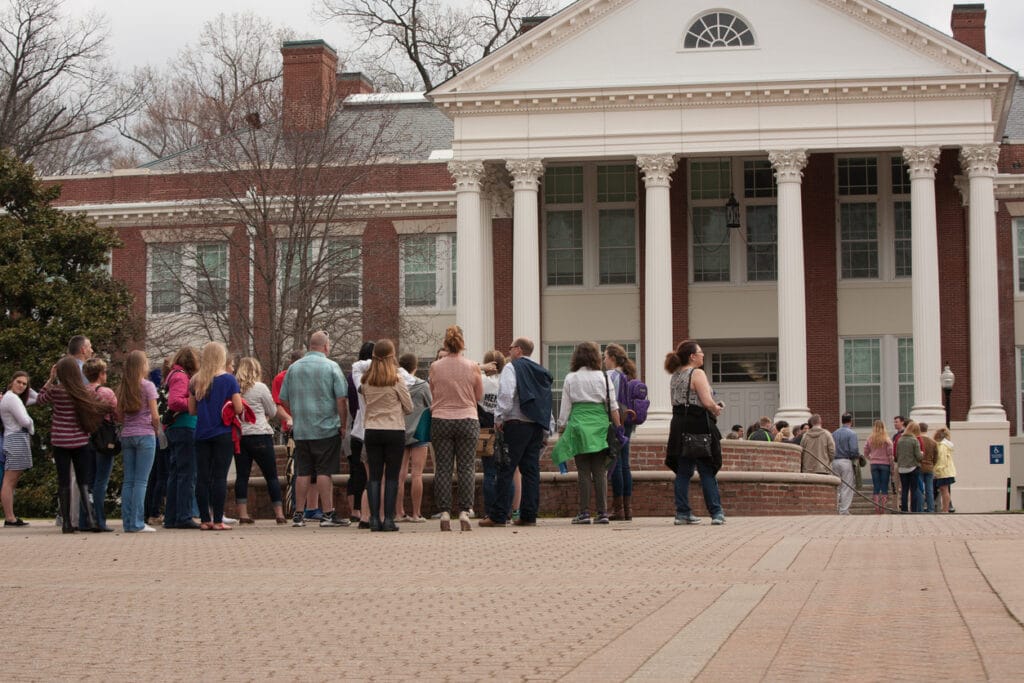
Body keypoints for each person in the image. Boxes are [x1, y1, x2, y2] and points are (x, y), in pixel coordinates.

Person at [278, 331, 350, 528]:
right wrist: (343, 425)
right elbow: (341, 398)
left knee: (303, 472)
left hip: (302, 429)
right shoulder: (331, 367)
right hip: (326, 428)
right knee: (324, 472)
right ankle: (327, 514)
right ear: (326, 346)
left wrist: (298, 413)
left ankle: (298, 515)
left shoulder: (293, 368)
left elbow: (283, 398)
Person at [481, 337, 552, 529]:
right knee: (531, 471)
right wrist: (547, 428)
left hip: (516, 423)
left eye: (511, 347)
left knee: (506, 468)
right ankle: (529, 516)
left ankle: (498, 515)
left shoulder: (512, 368)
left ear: (518, 350)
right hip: (536, 425)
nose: (509, 350)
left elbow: (506, 394)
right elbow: (546, 400)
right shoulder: (541, 371)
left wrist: (498, 418)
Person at [36, 356, 112, 533]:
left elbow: (39, 400)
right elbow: (102, 402)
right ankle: (92, 520)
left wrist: (50, 379)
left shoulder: (56, 391)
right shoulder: (83, 391)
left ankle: (66, 523)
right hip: (80, 440)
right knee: (83, 481)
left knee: (64, 482)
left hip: (60, 441)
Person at [552, 342, 621, 525]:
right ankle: (602, 512)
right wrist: (619, 428)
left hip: (579, 425)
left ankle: (583, 513)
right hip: (600, 426)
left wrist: (561, 428)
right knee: (600, 471)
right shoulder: (604, 378)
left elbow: (565, 407)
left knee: (583, 471)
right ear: (596, 358)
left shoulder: (571, 378)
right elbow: (613, 405)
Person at [428, 325, 483, 532]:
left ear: (445, 343)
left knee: (443, 467)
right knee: (466, 467)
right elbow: (478, 395)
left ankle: (443, 511)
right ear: (462, 343)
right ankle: (464, 511)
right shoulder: (472, 366)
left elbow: (433, 391)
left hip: (441, 418)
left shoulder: (435, 366)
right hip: (467, 418)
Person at [665, 340, 725, 526]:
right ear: (692, 356)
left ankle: (682, 512)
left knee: (683, 471)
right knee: (707, 469)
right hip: (697, 424)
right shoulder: (697, 373)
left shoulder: (675, 375)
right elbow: (706, 402)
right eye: (700, 352)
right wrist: (716, 408)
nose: (702, 355)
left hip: (678, 424)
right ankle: (716, 512)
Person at [360, 340, 413, 531]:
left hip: (372, 429)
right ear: (392, 356)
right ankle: (389, 519)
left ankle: (374, 519)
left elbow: (366, 401)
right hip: (393, 429)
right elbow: (409, 407)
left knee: (374, 476)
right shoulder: (397, 380)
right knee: (391, 476)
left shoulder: (365, 380)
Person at [189, 342, 242, 530]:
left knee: (202, 477)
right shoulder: (229, 380)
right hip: (222, 433)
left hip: (201, 433)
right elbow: (238, 408)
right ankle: (218, 519)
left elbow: (191, 410)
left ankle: (205, 519)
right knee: (220, 477)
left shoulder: (196, 380)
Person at [234, 357, 286, 524]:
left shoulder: (234, 388)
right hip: (260, 433)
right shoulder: (260, 387)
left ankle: (243, 514)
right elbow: (272, 410)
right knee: (271, 475)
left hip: (241, 435)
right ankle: (279, 513)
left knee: (242, 476)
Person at [116, 350, 161, 533]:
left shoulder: (123, 387)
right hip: (145, 434)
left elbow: (118, 416)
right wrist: (155, 428)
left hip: (127, 434)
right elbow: (155, 415)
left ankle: (127, 521)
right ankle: (137, 522)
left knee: (129, 481)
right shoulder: (148, 386)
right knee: (142, 481)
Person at [163, 347, 200, 529]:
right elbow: (175, 401)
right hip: (184, 427)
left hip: (177, 428)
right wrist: (195, 403)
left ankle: (171, 516)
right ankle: (183, 515)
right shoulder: (181, 376)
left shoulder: (173, 374)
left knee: (176, 473)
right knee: (187, 473)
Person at [80, 359, 117, 531]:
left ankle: (84, 520)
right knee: (101, 482)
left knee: (86, 481)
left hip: (84, 439)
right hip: (103, 439)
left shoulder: (81, 391)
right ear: (101, 374)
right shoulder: (107, 393)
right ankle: (100, 520)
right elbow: (117, 414)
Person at [604, 343, 636, 521]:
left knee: (616, 463)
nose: (604, 360)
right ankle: (627, 509)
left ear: (613, 358)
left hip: (617, 420)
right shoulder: (628, 375)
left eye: (605, 357)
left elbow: (610, 401)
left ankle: (618, 510)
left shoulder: (611, 375)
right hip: (629, 420)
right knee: (625, 464)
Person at [397, 352, 431, 523]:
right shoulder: (423, 385)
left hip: (400, 429)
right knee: (417, 474)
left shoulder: (396, 383)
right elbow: (430, 404)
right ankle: (416, 513)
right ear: (415, 367)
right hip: (419, 431)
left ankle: (398, 512)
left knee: (400, 474)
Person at [1, 371, 37, 526]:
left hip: (15, 438)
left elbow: (36, 398)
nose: (21, 386)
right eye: (19, 382)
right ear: (12, 381)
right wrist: (31, 423)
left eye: (24, 384)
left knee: (12, 481)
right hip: (15, 438)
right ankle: (10, 517)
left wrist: (50, 380)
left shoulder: (13, 398)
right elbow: (23, 420)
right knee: (9, 481)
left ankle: (11, 516)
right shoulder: (11, 398)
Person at [343, 344, 373, 523]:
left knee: (354, 471)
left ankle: (354, 510)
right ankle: (366, 512)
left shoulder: (351, 377)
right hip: (366, 428)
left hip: (353, 427)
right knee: (367, 473)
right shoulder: (376, 377)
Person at [477, 350, 504, 522]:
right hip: (503, 429)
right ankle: (505, 510)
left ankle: (489, 512)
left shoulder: (480, 381)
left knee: (489, 472)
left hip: (484, 430)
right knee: (505, 472)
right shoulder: (504, 381)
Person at [864, 420, 894, 513]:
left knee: (876, 486)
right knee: (884, 486)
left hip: (874, 464)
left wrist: (871, 458)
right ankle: (883, 508)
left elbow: (865, 451)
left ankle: (876, 508)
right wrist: (892, 466)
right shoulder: (887, 439)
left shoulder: (870, 439)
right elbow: (890, 454)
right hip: (885, 464)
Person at [831, 413, 858, 515]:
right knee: (847, 486)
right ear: (851, 421)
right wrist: (856, 457)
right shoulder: (852, 433)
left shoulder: (834, 433)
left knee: (836, 486)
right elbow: (854, 450)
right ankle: (844, 510)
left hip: (835, 461)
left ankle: (836, 508)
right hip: (846, 461)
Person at [895, 420, 924, 513]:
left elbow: (896, 454)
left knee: (904, 490)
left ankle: (904, 510)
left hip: (902, 468)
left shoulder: (900, 439)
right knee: (913, 490)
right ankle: (913, 510)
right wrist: (922, 454)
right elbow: (918, 456)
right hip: (913, 467)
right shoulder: (914, 440)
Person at [933, 427, 957, 513]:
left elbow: (942, 459)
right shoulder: (946, 445)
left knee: (944, 490)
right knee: (944, 490)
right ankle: (945, 508)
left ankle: (945, 509)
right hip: (947, 471)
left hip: (944, 471)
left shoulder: (942, 446)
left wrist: (937, 470)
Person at [918, 422, 938, 513]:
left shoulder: (917, 440)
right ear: (926, 429)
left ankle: (920, 509)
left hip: (919, 467)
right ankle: (931, 509)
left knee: (920, 489)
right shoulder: (933, 442)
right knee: (929, 489)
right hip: (929, 467)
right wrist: (932, 464)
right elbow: (936, 457)